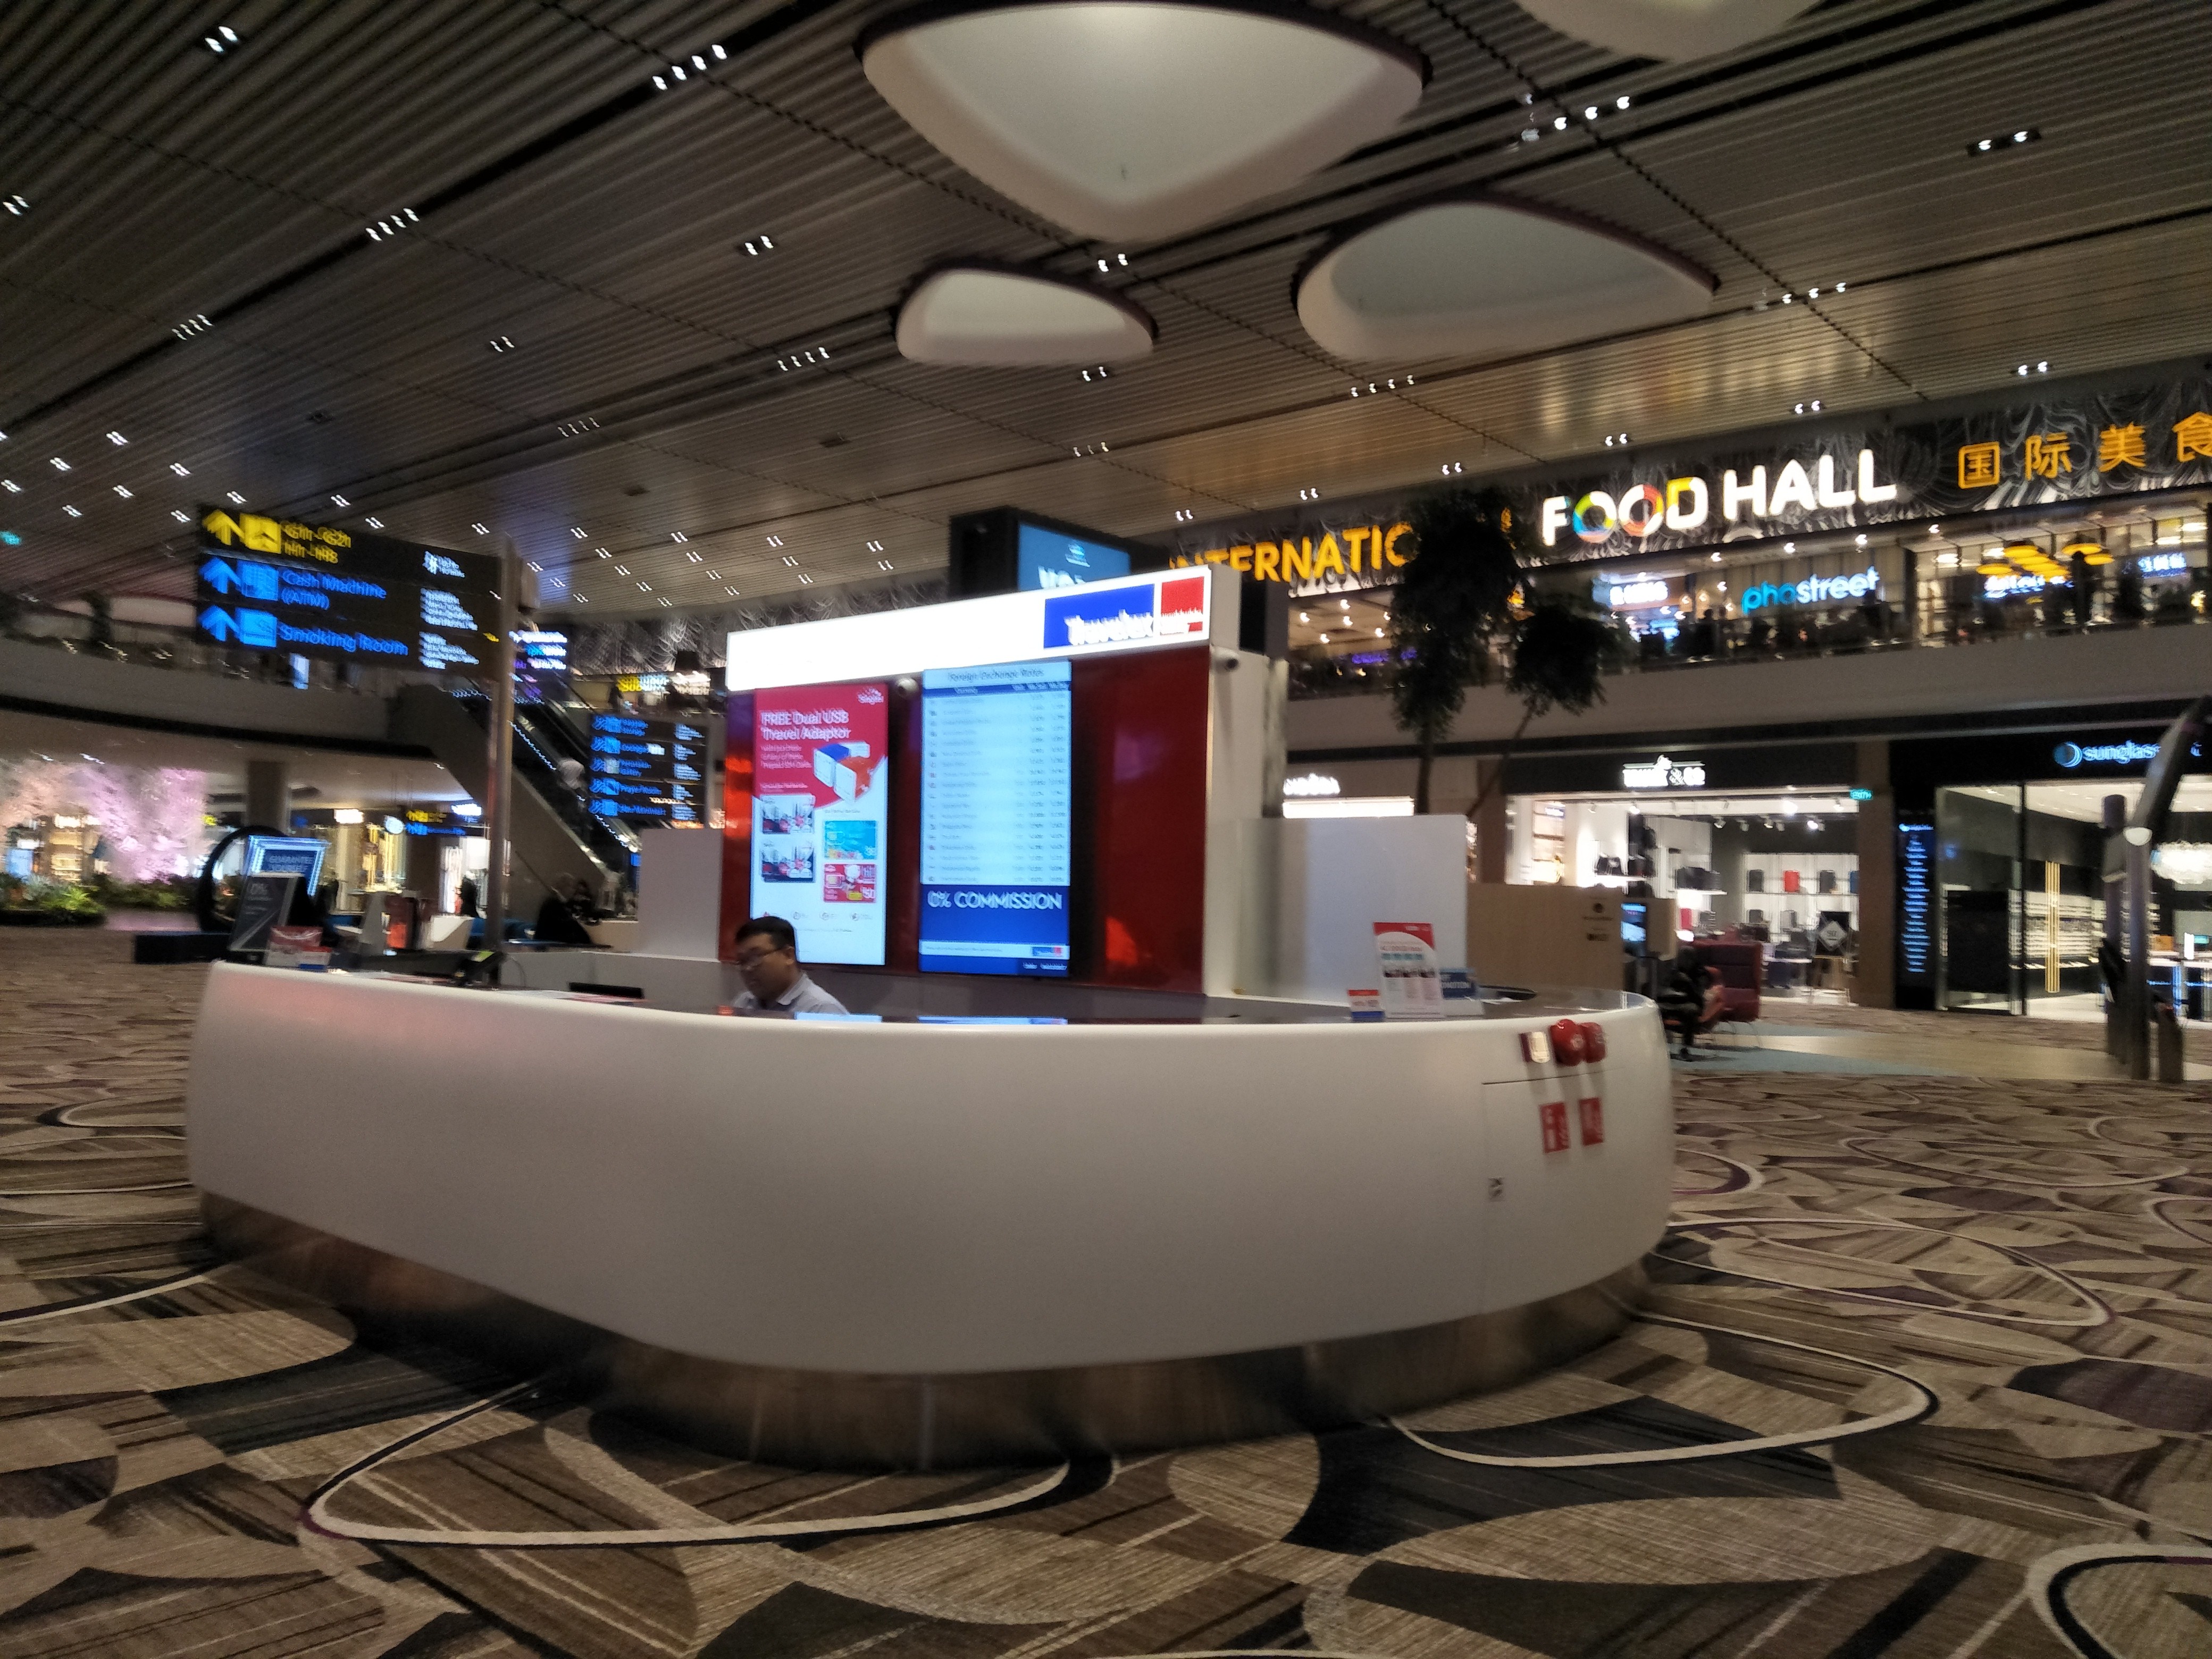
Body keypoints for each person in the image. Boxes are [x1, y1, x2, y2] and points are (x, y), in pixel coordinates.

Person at [729, 915, 848, 1015]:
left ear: (788, 955)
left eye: (755, 957)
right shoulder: (744, 1003)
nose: (747, 968)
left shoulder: (821, 1010)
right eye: (742, 961)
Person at [1658, 946, 1719, 1059]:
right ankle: (1656, 1046)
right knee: (1656, 1010)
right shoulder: (1674, 970)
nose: (1684, 962)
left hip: (1692, 1002)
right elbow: (1664, 987)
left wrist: (1688, 982)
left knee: (1690, 1011)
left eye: (1687, 959)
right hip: (1672, 1002)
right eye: (1682, 958)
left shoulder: (1700, 973)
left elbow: (1698, 994)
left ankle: (1686, 1048)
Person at [533, 876, 593, 945]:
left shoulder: (554, 900)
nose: (574, 891)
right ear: (564, 887)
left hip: (549, 943)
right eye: (572, 887)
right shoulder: (554, 903)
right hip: (550, 945)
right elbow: (567, 926)